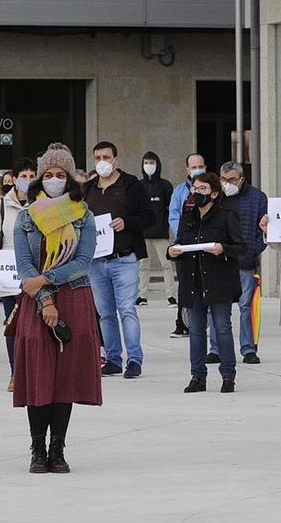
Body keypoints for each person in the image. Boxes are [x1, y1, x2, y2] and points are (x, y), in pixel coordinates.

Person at [13, 147, 103, 474]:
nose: (54, 180)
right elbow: (24, 263)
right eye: (48, 175)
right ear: (40, 178)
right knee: (39, 374)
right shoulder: (26, 216)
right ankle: (37, 449)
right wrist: (45, 299)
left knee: (65, 375)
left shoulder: (84, 215)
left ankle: (58, 449)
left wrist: (46, 280)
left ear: (70, 178)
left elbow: (83, 262)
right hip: (36, 300)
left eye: (60, 175)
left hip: (74, 296)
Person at [173, 171, 244, 392]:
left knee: (222, 328)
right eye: (195, 189)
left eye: (202, 189)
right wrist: (172, 251)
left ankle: (228, 376)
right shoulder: (188, 217)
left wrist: (223, 248)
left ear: (214, 193)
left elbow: (241, 247)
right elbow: (179, 242)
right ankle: (197, 376)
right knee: (195, 330)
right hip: (192, 281)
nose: (197, 193)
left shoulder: (226, 215)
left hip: (218, 281)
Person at [86, 141, 149, 378]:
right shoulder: (89, 188)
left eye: (106, 157)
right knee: (105, 312)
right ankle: (112, 358)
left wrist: (127, 223)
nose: (102, 161)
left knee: (126, 309)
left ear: (116, 159)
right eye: (98, 158)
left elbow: (149, 216)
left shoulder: (131, 185)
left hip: (124, 258)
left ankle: (134, 359)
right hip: (96, 261)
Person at [0, 158, 37, 378]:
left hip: (34, 272)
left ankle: (34, 371)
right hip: (8, 274)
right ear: (13, 179)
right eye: (23, 176)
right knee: (12, 324)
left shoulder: (42, 204)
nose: (28, 180)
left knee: (35, 326)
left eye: (32, 176)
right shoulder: (3, 205)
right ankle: (16, 373)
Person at [219, 161, 270, 365]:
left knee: (245, 306)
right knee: (219, 307)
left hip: (246, 261)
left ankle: (248, 349)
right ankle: (216, 348)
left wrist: (252, 252)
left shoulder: (257, 198)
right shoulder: (218, 197)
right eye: (224, 180)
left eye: (231, 180)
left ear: (241, 179)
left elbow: (264, 230)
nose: (227, 184)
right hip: (221, 260)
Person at [168, 151, 209, 338]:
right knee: (185, 284)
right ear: (187, 169)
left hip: (207, 245)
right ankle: (182, 322)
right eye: (193, 167)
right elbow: (173, 216)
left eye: (200, 166)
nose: (197, 169)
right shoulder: (179, 191)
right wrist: (185, 236)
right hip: (185, 247)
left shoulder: (212, 188)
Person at [136, 151, 173, 303]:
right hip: (143, 233)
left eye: (151, 163)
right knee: (144, 265)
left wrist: (167, 227)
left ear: (157, 165)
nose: (148, 166)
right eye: (146, 163)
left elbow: (170, 208)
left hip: (161, 233)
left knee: (166, 265)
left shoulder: (165, 185)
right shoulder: (138, 185)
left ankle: (170, 295)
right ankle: (142, 295)